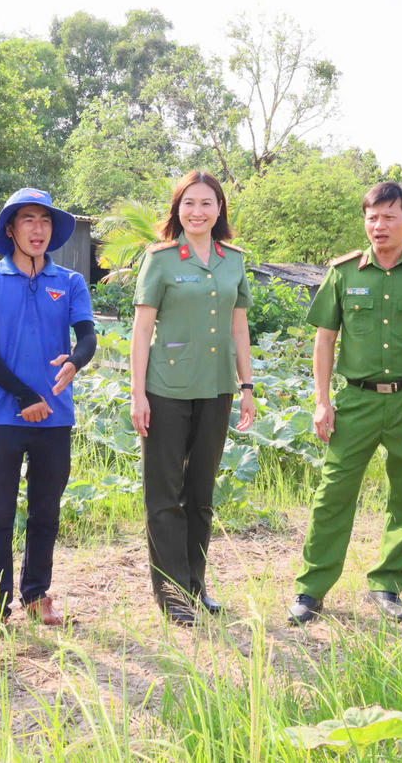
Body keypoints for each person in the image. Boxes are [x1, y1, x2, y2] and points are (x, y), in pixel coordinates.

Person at [288, 182, 402, 625]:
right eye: (372, 217)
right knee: (332, 493)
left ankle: (387, 584)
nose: (379, 226)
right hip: (357, 400)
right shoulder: (344, 273)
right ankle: (311, 589)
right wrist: (322, 401)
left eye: (388, 216)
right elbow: (324, 340)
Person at [0, 188, 95, 643]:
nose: (38, 229)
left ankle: (36, 595)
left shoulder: (70, 282)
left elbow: (87, 337)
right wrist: (23, 396)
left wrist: (75, 361)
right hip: (2, 415)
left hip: (55, 417)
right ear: (10, 229)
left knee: (45, 513)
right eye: (28, 220)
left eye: (45, 220)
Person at [129, 170, 255, 626]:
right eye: (189, 203)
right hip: (166, 389)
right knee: (164, 494)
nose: (197, 212)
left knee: (201, 494)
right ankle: (171, 593)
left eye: (206, 203)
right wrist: (137, 394)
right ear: (177, 209)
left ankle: (195, 586)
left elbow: (239, 327)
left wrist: (247, 386)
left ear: (219, 209)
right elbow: (142, 329)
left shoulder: (233, 261)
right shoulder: (160, 259)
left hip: (216, 388)